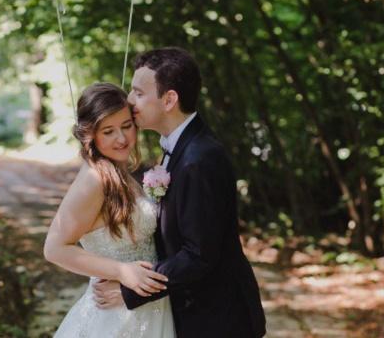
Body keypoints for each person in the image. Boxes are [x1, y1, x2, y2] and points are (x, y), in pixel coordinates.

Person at [93, 47, 267, 338]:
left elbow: (199, 255)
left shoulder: (200, 159)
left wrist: (131, 289)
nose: (129, 100)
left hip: (218, 319)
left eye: (138, 93)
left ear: (169, 99)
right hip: (196, 312)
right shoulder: (179, 148)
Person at [44, 82, 176, 337]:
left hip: (146, 304)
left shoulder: (119, 172)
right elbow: (54, 248)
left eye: (126, 126)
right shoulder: (94, 180)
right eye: (108, 131)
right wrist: (122, 271)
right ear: (90, 135)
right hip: (115, 315)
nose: (122, 139)